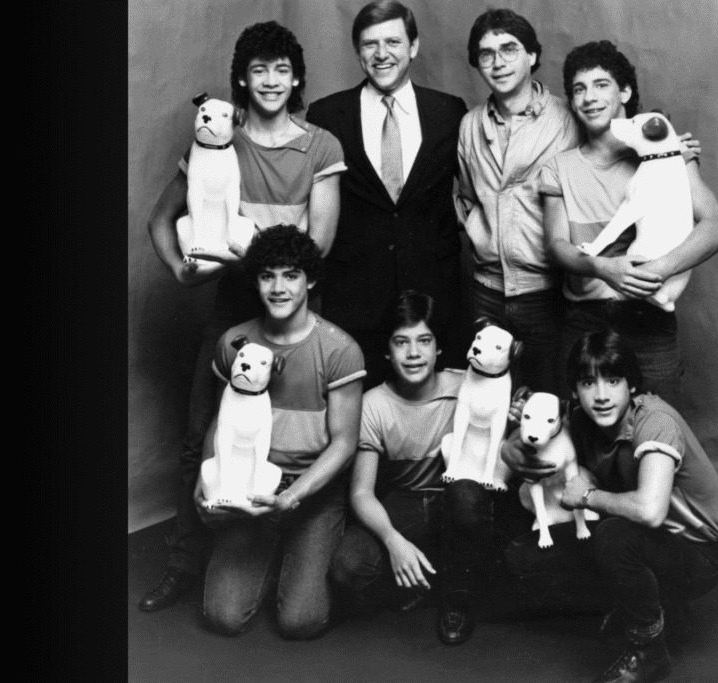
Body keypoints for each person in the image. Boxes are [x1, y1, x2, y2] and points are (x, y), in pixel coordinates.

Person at [140, 21, 347, 612]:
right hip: (233, 309)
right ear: (240, 79)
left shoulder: (321, 147)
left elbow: (322, 244)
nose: (272, 80)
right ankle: (185, 560)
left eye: (283, 69)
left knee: (289, 440)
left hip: (300, 309)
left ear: (298, 77)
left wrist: (249, 252)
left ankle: (286, 547)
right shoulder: (218, 140)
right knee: (200, 435)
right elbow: (161, 221)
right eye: (259, 70)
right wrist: (183, 267)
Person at [457, 12, 701, 396]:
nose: (498, 61)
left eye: (509, 49)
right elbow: (469, 197)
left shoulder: (567, 116)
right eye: (486, 54)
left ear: (533, 56)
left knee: (605, 407)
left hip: (564, 294)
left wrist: (669, 149)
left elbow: (618, 128)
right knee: (510, 402)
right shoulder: (470, 125)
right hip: (493, 286)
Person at [502, 330, 718, 683]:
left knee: (612, 537)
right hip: (641, 541)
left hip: (696, 555)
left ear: (632, 386)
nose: (602, 396)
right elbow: (530, 442)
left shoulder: (655, 421)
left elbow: (650, 511)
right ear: (574, 392)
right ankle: (647, 603)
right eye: (589, 383)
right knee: (523, 558)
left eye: (614, 380)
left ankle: (649, 651)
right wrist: (510, 443)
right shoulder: (579, 420)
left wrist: (588, 497)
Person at [540, 40, 718, 409]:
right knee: (578, 434)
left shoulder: (669, 154)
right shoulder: (559, 168)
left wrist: (656, 271)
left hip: (648, 320)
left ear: (625, 91)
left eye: (601, 85)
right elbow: (556, 245)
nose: (589, 97)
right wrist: (600, 267)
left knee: (659, 428)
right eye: (578, 89)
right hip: (585, 320)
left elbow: (716, 227)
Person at [195, 225, 364, 639]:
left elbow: (345, 442)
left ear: (310, 279)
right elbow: (222, 420)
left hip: (312, 493)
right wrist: (205, 483)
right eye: (267, 275)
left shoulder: (339, 348)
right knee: (223, 617)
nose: (278, 287)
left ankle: (316, 557)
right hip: (252, 486)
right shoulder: (234, 341)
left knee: (299, 622)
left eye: (291, 275)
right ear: (254, 280)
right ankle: (275, 562)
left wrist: (291, 496)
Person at [329, 291, 520, 645]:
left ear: (438, 348)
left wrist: (515, 421)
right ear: (387, 350)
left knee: (464, 497)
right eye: (401, 342)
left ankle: (457, 599)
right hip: (408, 504)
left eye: (424, 341)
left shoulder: (468, 385)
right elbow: (360, 492)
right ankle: (422, 579)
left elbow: (505, 448)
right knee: (347, 567)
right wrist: (393, 541)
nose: (414, 353)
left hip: (464, 503)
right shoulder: (373, 405)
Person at [306, 0, 468, 389]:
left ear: (412, 47)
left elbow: (474, 193)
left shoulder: (449, 111)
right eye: (369, 44)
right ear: (358, 52)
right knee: (358, 411)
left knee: (438, 415)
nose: (382, 54)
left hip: (435, 290)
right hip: (355, 294)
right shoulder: (326, 115)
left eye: (393, 42)